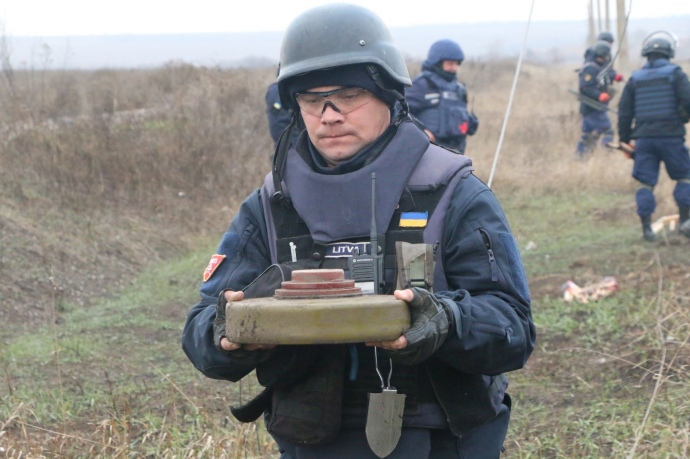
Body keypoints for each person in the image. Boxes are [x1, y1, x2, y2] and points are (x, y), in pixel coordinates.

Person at [182, 4, 535, 458]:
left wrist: (445, 320)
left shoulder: (454, 193)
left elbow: (513, 328)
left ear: (389, 95)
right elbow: (201, 333)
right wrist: (230, 333)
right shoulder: (271, 205)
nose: (328, 115)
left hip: (441, 436)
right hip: (312, 437)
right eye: (312, 100)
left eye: (349, 95)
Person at [617, 32, 690, 241]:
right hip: (671, 137)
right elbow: (688, 101)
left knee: (645, 184)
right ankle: (685, 223)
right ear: (669, 53)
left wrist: (625, 140)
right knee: (684, 177)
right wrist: (684, 117)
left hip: (644, 140)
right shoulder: (676, 74)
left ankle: (647, 230)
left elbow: (624, 112)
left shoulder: (635, 79)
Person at [406, 39, 479, 153]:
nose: (454, 68)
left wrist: (468, 123)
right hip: (428, 151)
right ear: (437, 62)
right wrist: (421, 131)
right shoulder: (422, 85)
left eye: (456, 64)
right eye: (450, 64)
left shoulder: (459, 89)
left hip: (456, 153)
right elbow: (402, 111)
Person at [575, 40, 619, 157]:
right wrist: (599, 95)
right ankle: (607, 155)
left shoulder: (600, 67)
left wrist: (615, 76)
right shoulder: (590, 68)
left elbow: (607, 75)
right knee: (608, 131)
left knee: (589, 135)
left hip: (596, 107)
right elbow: (585, 88)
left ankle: (581, 157)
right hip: (592, 107)